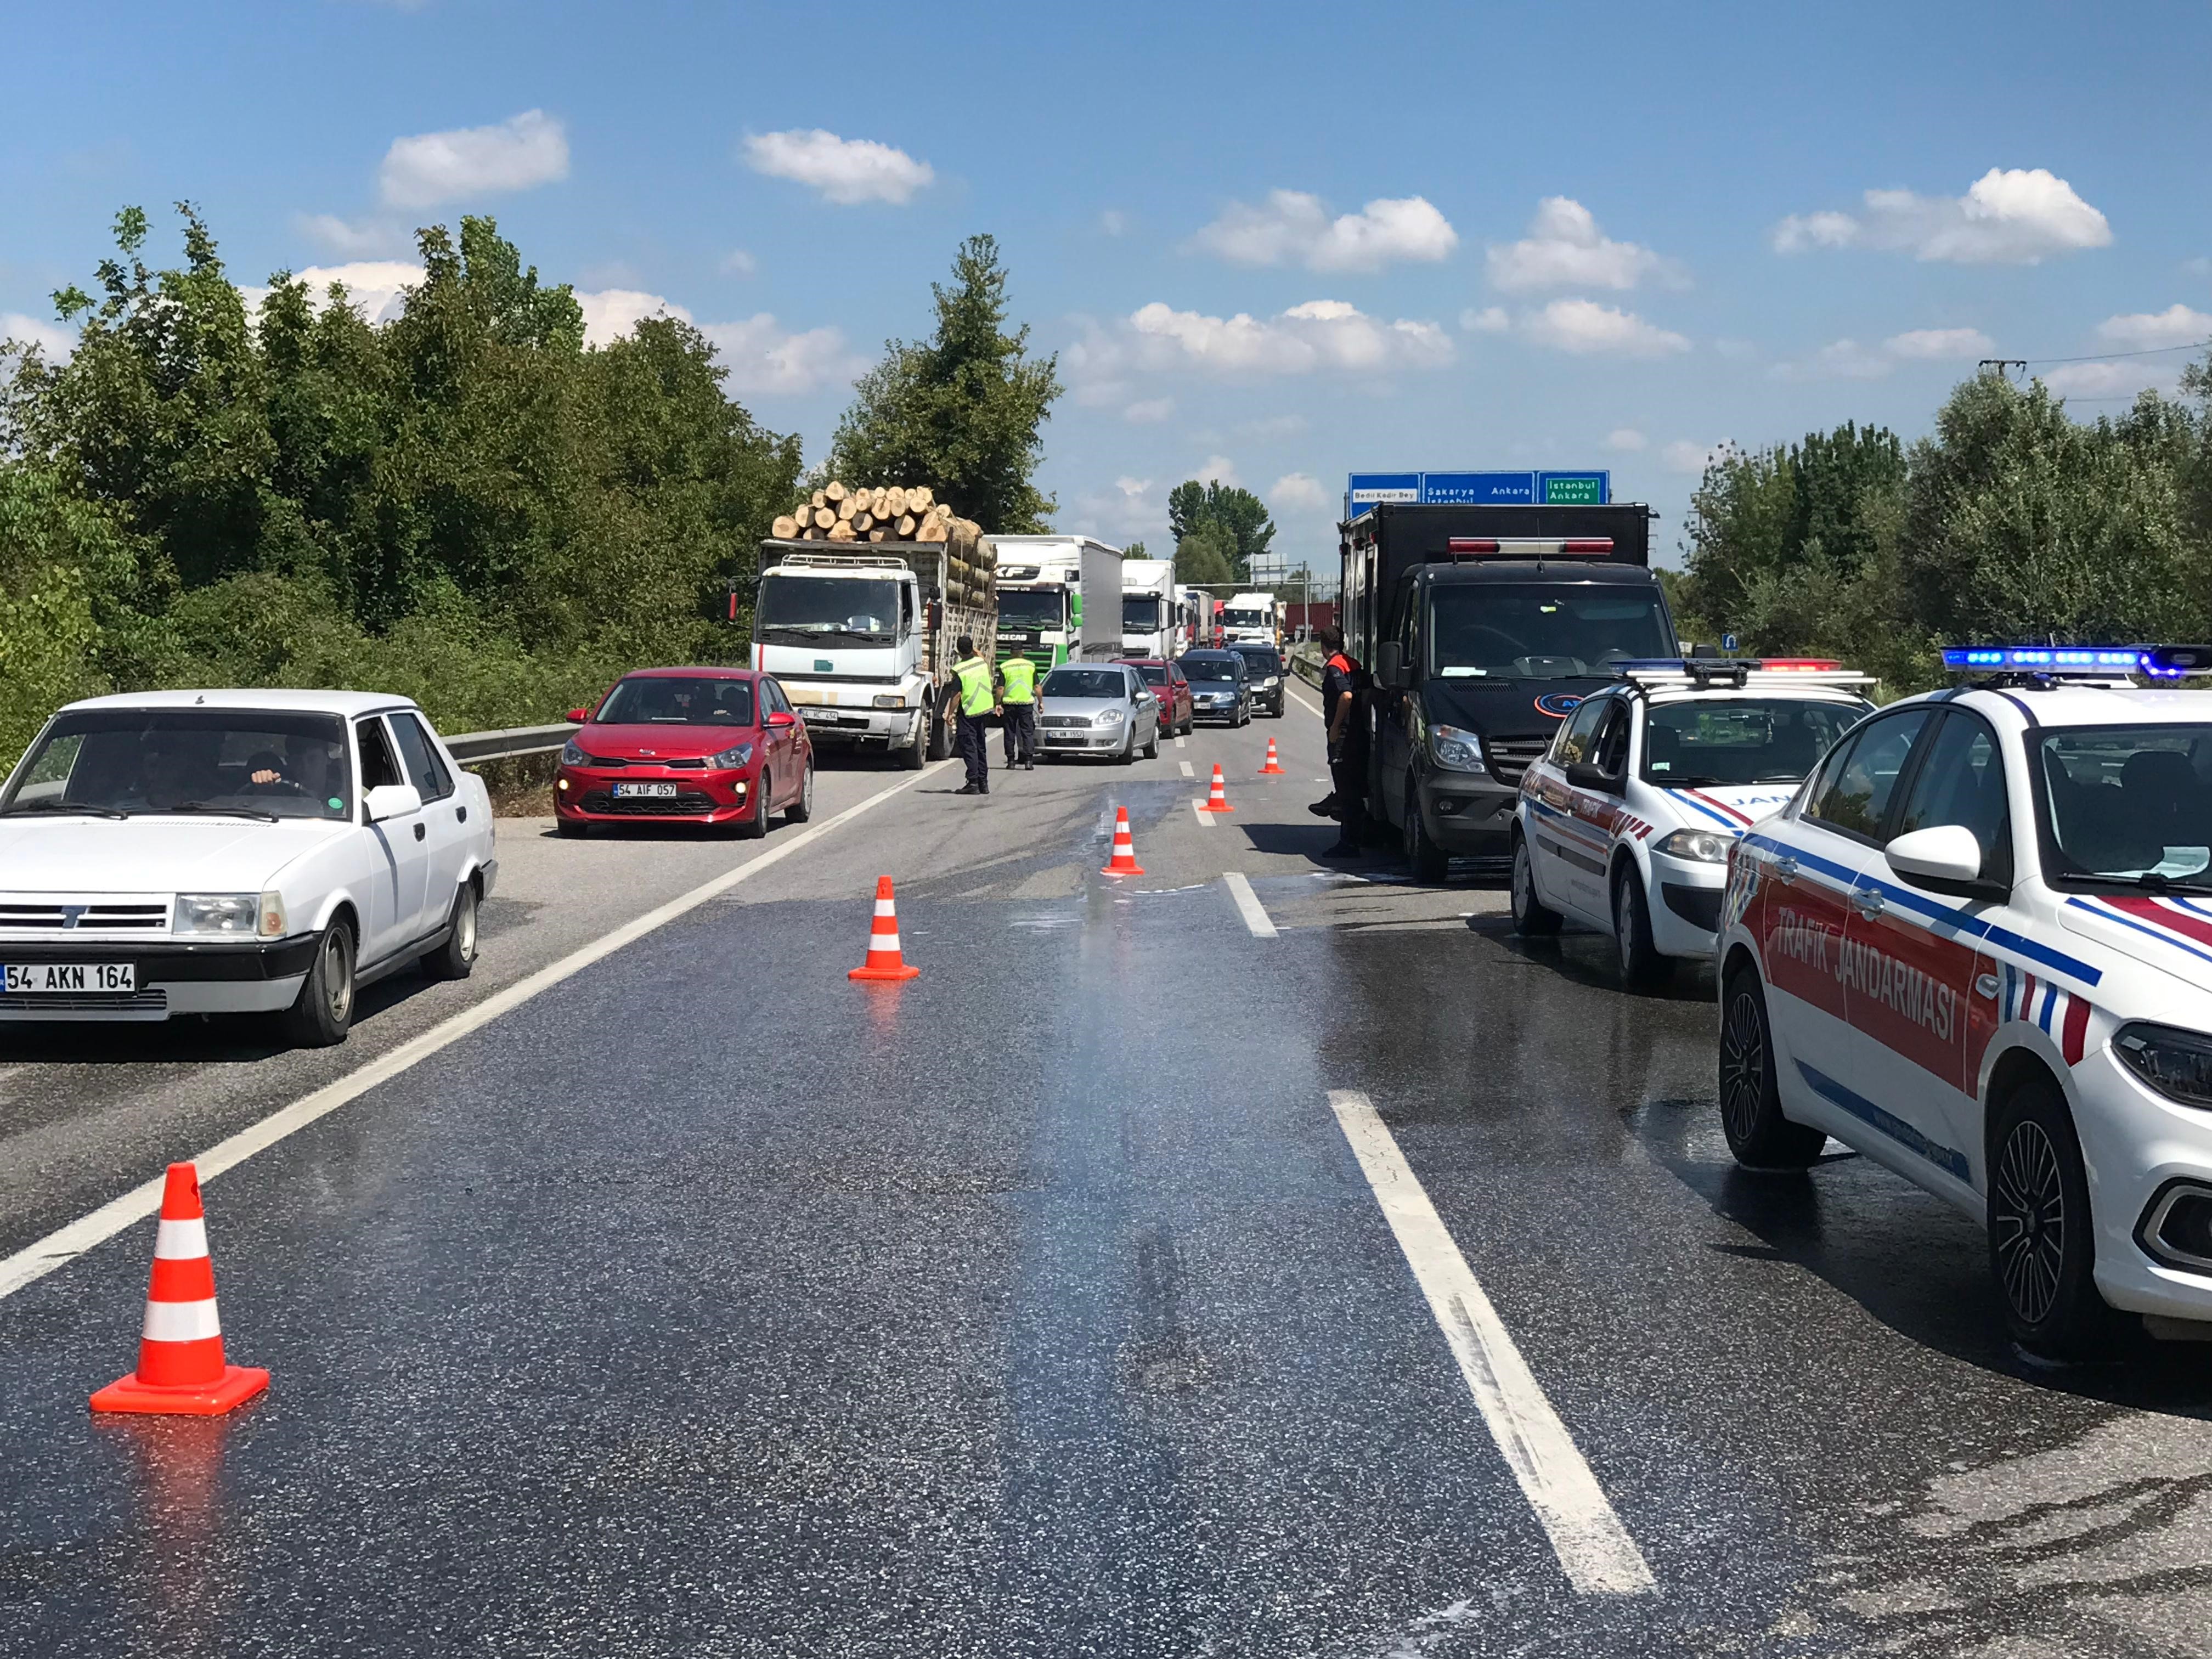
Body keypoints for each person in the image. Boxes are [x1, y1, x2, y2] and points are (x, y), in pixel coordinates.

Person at [1309, 627, 1356, 820]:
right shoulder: (1353, 664)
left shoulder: (1335, 667)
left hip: (1342, 733)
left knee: (1343, 783)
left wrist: (1336, 727)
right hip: (1356, 730)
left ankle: (1347, 843)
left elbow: (1346, 696)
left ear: (1324, 646)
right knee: (1350, 784)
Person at [950, 636, 995, 795]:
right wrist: (974, 650)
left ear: (959, 651)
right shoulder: (981, 663)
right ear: (972, 649)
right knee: (980, 746)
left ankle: (973, 782)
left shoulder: (960, 669)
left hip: (969, 712)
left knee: (970, 747)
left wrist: (950, 714)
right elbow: (981, 655)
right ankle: (984, 783)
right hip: (985, 710)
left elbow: (957, 695)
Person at [997, 652, 1037, 770]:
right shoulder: (1031, 666)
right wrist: (1040, 702)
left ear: (1010, 653)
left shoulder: (1005, 666)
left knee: (1010, 733)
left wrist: (998, 703)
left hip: (1010, 704)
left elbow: (1000, 688)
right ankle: (1029, 762)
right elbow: (1037, 687)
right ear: (1023, 652)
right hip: (1026, 704)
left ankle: (1011, 762)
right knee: (1027, 732)